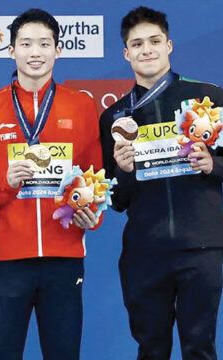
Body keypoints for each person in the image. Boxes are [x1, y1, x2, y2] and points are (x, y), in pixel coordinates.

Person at [0, 8, 102, 360]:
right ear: (12, 50)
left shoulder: (82, 106)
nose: (35, 52)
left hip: (65, 255)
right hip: (7, 258)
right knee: (5, 353)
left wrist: (91, 212)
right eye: (26, 44)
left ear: (59, 50)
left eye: (44, 44)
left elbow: (94, 174)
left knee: (64, 353)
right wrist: (5, 181)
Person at [100, 6, 223, 360]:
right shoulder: (116, 117)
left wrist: (212, 163)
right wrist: (123, 170)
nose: (147, 50)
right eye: (137, 44)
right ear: (126, 53)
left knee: (200, 349)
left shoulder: (208, 98)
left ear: (169, 45)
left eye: (154, 41)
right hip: (145, 254)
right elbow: (117, 198)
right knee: (151, 350)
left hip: (201, 246)